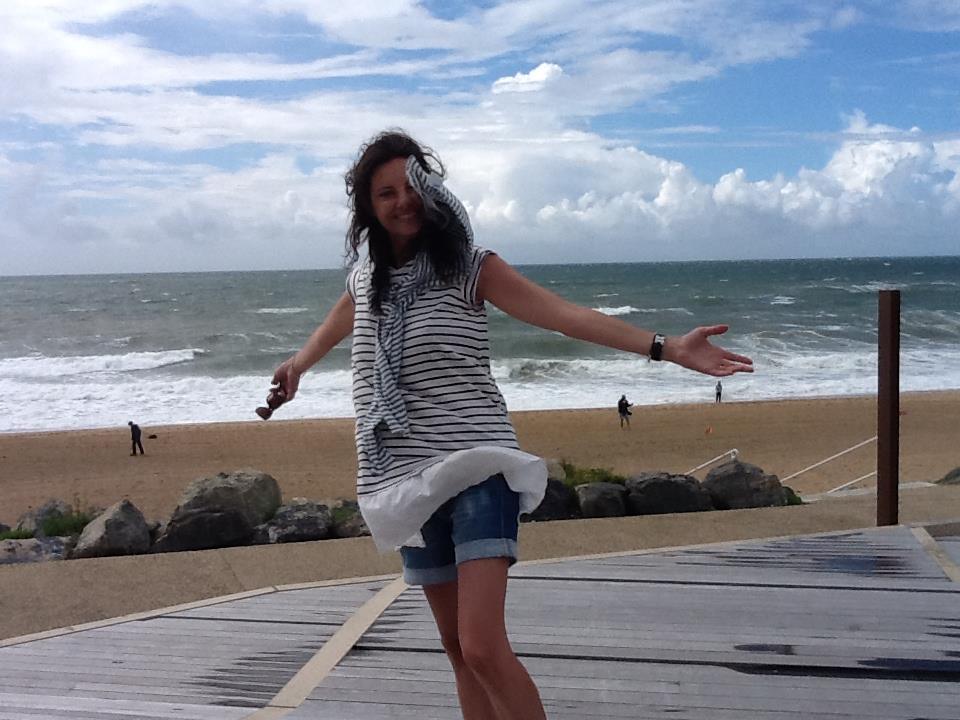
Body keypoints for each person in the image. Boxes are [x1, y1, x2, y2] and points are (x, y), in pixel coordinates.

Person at [270, 130, 753, 720]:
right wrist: (297, 367)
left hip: (478, 468)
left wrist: (666, 346)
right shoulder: (366, 280)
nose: (403, 201)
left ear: (432, 190)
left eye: (411, 186)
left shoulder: (472, 268)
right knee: (457, 650)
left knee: (481, 646)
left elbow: (562, 315)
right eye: (385, 193)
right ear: (369, 207)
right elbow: (336, 324)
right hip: (403, 478)